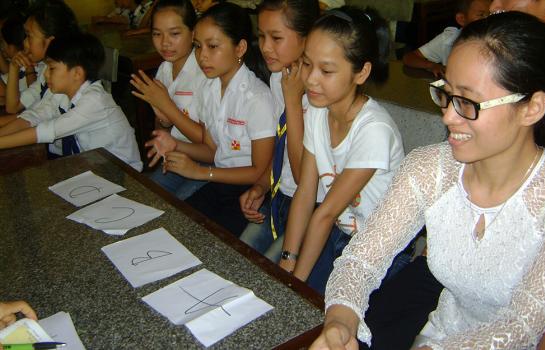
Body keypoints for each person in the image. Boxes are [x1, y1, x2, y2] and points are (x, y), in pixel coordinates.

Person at [311, 11, 545, 350]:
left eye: (468, 102)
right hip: (439, 336)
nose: (447, 116)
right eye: (446, 94)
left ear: (532, 108)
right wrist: (340, 322)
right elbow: (360, 261)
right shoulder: (430, 169)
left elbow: (521, 326)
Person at [279, 7, 405, 295]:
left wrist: (293, 284)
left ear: (361, 72)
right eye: (307, 64)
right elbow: (305, 192)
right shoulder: (317, 111)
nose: (310, 79)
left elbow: (325, 213)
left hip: (381, 251)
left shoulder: (373, 129)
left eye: (326, 70)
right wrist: (288, 261)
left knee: (311, 307)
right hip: (341, 234)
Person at [145, 2, 276, 236]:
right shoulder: (209, 89)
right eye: (197, 46)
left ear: (240, 48)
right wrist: (175, 144)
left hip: (252, 191)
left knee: (211, 241)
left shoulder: (257, 98)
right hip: (220, 182)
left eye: (213, 46)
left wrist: (200, 172)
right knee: (176, 227)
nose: (202, 56)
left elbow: (259, 170)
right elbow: (212, 150)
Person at [238, 0, 322, 262]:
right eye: (261, 36)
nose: (265, 47)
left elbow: (301, 175)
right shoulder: (279, 78)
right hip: (280, 196)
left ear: (308, 38)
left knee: (273, 273)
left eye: (276, 37)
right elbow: (281, 147)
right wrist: (261, 185)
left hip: (313, 207)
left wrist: (293, 100)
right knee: (239, 254)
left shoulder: (320, 93)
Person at [0, 33, 143, 171]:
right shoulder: (62, 94)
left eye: (52, 68)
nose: (45, 74)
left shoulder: (94, 101)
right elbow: (33, 117)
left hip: (123, 174)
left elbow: (48, 131)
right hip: (93, 166)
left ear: (77, 73)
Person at [130, 0, 208, 199]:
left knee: (178, 209)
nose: (164, 43)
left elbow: (209, 143)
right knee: (148, 198)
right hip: (177, 157)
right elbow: (163, 128)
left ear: (193, 33)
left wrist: (166, 105)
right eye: (157, 34)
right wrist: (163, 121)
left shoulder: (205, 72)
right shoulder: (164, 69)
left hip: (209, 161)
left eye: (174, 34)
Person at [2, 0, 78, 118]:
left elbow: (34, 125)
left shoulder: (64, 79)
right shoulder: (46, 70)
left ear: (50, 42)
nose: (24, 42)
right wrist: (13, 67)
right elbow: (12, 107)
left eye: (29, 36)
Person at [403, 0, 489, 78]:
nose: (489, 19)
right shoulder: (449, 39)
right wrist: (432, 65)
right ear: (462, 19)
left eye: (491, 14)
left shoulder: (496, 42)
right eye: (481, 15)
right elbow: (409, 58)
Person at [0, 15, 35, 99]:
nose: (1, 47)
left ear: (11, 46)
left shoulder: (34, 66)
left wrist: (29, 68)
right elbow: (7, 72)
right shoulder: (20, 63)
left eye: (1, 42)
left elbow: (5, 93)